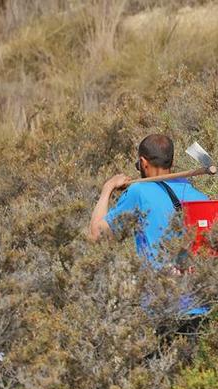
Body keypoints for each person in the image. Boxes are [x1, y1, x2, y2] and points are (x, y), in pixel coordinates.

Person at [88, 133, 209, 343]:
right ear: (172, 161)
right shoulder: (200, 197)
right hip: (199, 303)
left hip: (162, 303)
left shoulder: (139, 191)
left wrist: (107, 189)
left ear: (143, 163)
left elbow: (97, 235)